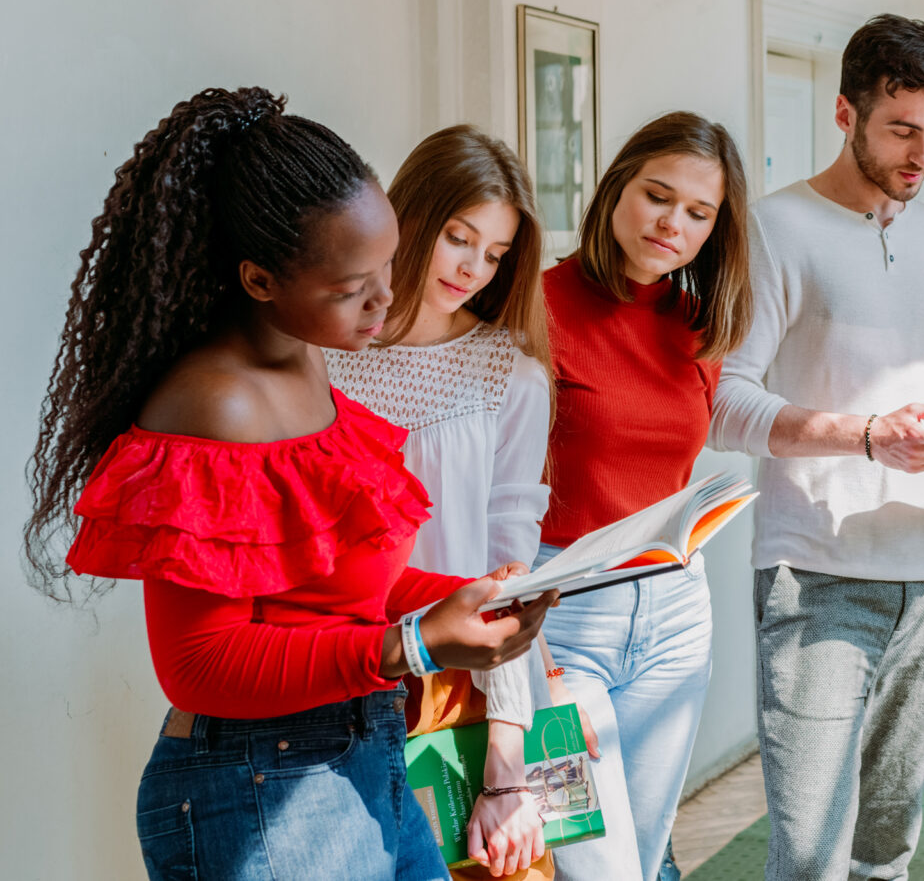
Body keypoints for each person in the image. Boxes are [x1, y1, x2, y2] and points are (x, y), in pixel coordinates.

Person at [23, 87, 553, 881]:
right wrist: (411, 645)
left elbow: (330, 584)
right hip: (261, 789)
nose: (384, 299)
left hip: (356, 755)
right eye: (352, 288)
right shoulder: (215, 403)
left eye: (388, 266)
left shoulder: (309, 359)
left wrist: (460, 598)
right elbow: (199, 664)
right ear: (261, 280)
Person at [708, 14, 924, 881]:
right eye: (902, 130)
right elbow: (724, 401)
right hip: (815, 575)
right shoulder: (771, 229)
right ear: (846, 113)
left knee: (886, 848)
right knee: (812, 852)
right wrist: (864, 438)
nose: (922, 154)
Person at [327, 125, 597, 879]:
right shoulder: (322, 359)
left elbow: (507, 568)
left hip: (463, 680)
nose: (475, 269)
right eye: (459, 238)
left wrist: (507, 760)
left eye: (497, 254)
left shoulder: (509, 374)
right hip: (337, 669)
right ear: (404, 217)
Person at [539, 110, 754, 881]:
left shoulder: (697, 325)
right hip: (559, 615)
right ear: (616, 190)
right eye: (658, 196)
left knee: (643, 845)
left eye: (699, 213)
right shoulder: (534, 308)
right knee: (585, 862)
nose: (674, 223)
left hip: (671, 612)